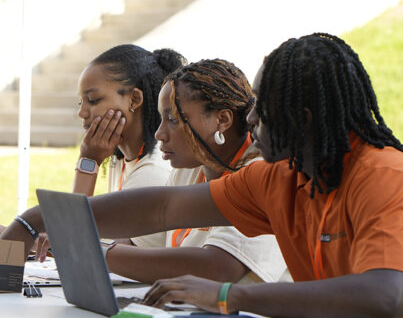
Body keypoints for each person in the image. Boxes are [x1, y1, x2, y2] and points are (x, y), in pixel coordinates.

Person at [1, 33, 403, 318]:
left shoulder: (385, 178)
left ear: (305, 120)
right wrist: (45, 218)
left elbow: (382, 298)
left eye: (263, 109)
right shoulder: (283, 177)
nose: (251, 119)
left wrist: (229, 295)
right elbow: (164, 207)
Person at [98, 59, 288, 284]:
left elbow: (218, 267)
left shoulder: (261, 173)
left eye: (173, 120)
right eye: (161, 119)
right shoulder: (192, 167)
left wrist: (99, 253)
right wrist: (73, 241)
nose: (159, 133)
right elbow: (141, 240)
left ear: (222, 120)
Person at [72, 44, 186, 247]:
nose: (82, 113)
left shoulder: (152, 172)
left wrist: (88, 162)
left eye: (93, 100)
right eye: (81, 103)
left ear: (134, 99)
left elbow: (77, 243)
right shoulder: (122, 160)